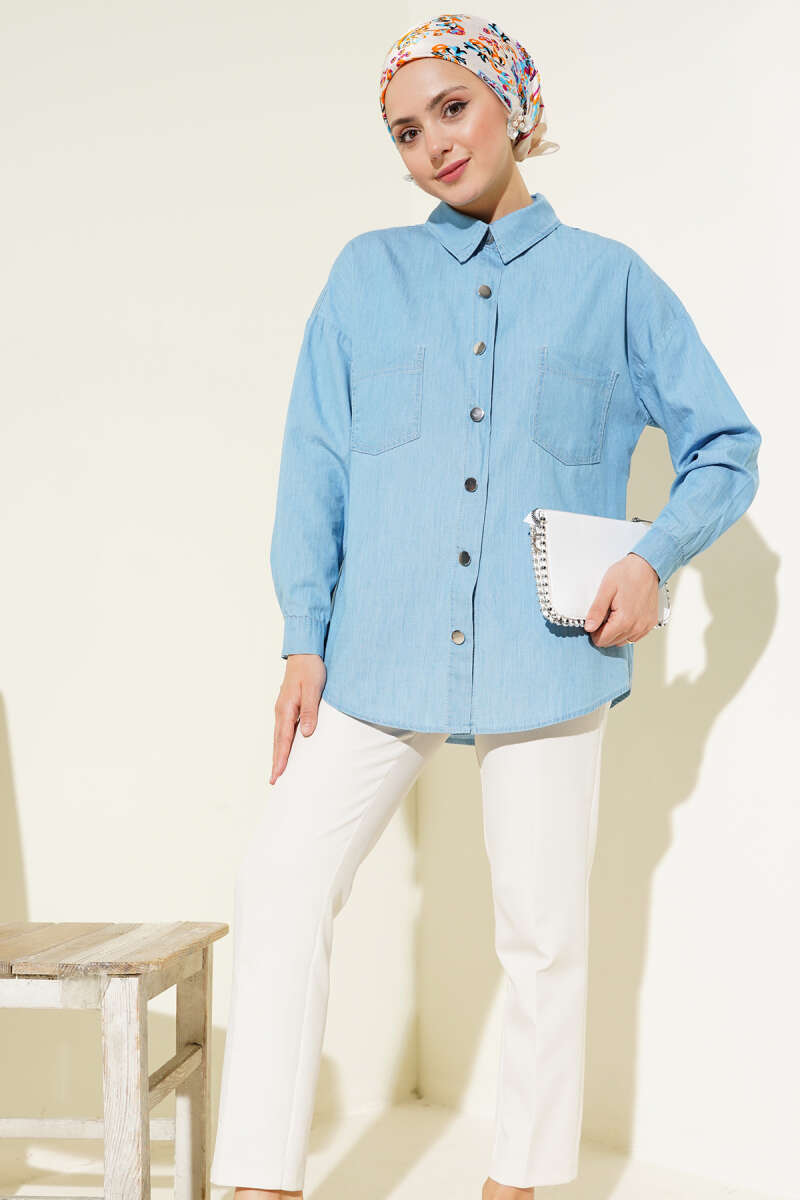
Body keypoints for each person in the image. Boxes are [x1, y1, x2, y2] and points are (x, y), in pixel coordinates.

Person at [209, 14, 761, 1200]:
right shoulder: (365, 276)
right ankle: (260, 1181)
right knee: (281, 883)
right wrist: (302, 639)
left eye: (451, 110)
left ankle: (517, 1184)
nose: (432, 147)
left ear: (512, 104)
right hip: (376, 652)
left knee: (542, 934)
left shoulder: (610, 282)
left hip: (542, 655)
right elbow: (315, 463)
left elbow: (724, 446)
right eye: (404, 132)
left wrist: (652, 559)